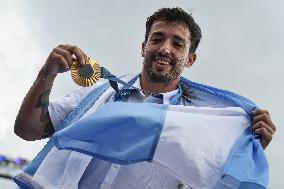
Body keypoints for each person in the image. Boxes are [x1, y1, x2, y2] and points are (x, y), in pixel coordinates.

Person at [14, 7, 276, 189]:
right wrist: (46, 74)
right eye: (157, 39)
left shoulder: (197, 125)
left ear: (190, 59)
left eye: (177, 44)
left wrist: (242, 146)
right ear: (143, 47)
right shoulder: (95, 95)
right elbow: (27, 129)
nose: (164, 48)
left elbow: (216, 179)